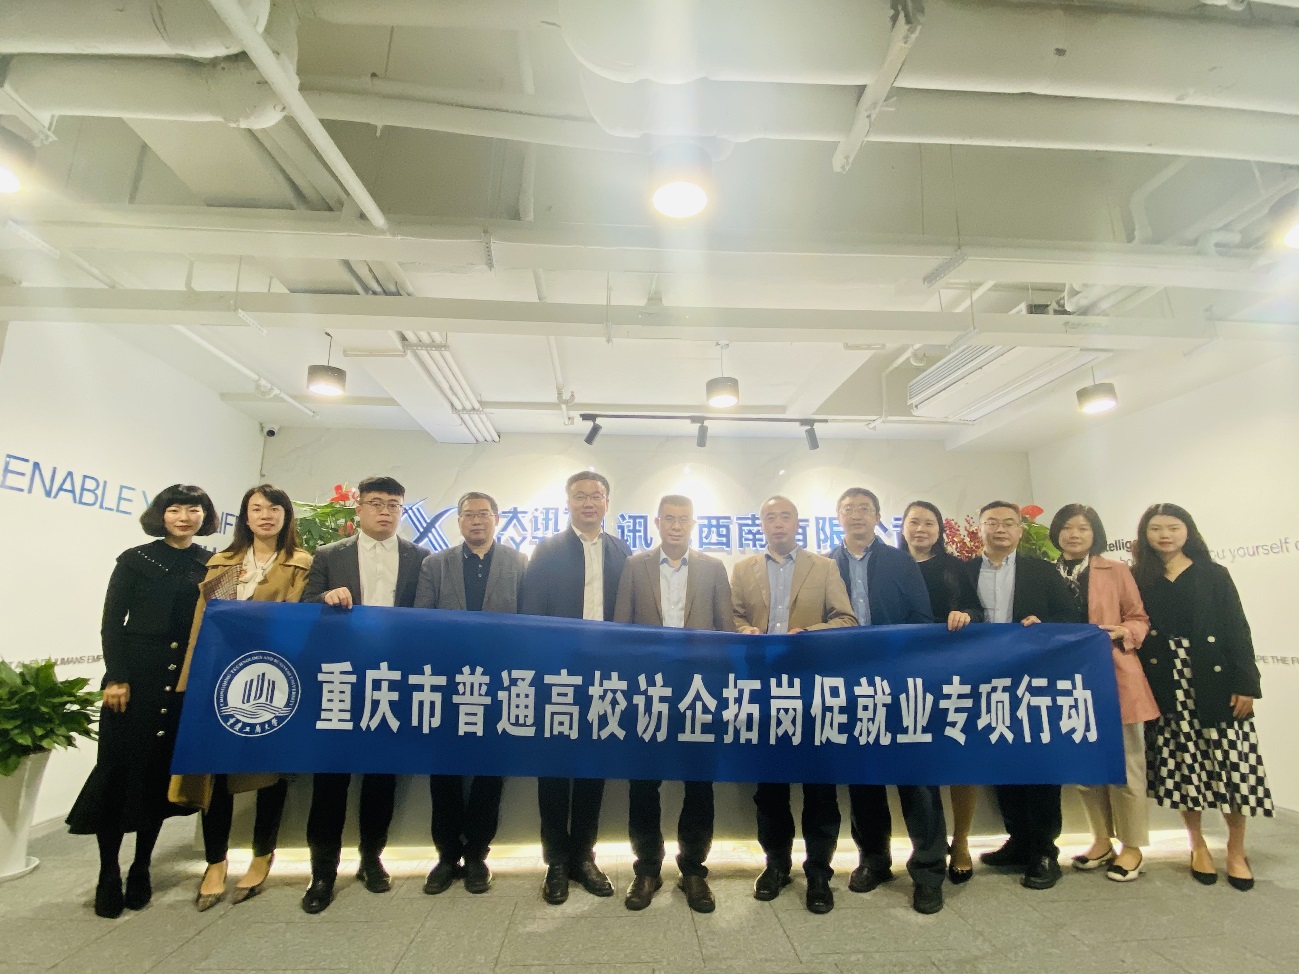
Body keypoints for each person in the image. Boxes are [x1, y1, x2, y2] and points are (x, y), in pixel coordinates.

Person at [67, 484, 218, 919]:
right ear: (161, 515)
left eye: (193, 510)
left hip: (183, 680)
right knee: (118, 772)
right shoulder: (135, 559)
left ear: (204, 516)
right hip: (136, 678)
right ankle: (108, 872)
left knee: (156, 776)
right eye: (175, 510)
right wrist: (116, 676)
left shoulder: (210, 563)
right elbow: (111, 623)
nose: (184, 518)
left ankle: (141, 867)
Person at [170, 484, 313, 910]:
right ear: (245, 517)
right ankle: (215, 862)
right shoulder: (222, 562)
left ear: (286, 516)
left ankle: (262, 855)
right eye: (256, 509)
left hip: (275, 677)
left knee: (269, 770)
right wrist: (190, 680)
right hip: (218, 677)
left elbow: (295, 620)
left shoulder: (300, 563)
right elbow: (202, 625)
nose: (265, 515)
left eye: (274, 508)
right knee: (214, 770)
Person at [299, 475, 426, 914]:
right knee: (330, 780)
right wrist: (325, 597)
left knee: (380, 778)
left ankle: (372, 858)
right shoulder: (329, 555)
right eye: (376, 503)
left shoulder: (420, 559)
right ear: (359, 508)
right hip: (340, 679)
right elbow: (303, 606)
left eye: (393, 504)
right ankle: (322, 872)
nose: (385, 511)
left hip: (392, 680)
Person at [1132, 503, 1272, 891]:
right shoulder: (1138, 577)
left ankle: (1236, 850)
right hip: (1164, 681)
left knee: (1233, 767)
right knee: (1185, 768)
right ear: (1145, 534)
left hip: (1215, 679)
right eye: (1156, 528)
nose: (1164, 535)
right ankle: (1197, 845)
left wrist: (1247, 684)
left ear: (1188, 531)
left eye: (1173, 527)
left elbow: (1237, 629)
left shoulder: (1213, 573)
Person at [731, 495, 856, 914]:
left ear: (797, 523)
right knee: (770, 787)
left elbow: (846, 620)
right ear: (761, 524)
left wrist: (810, 634)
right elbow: (730, 618)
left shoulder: (824, 566)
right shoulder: (743, 569)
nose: (778, 523)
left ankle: (819, 872)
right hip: (763, 688)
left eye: (785, 516)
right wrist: (744, 630)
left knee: (819, 787)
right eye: (770, 517)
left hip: (813, 688)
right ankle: (776, 865)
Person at [613, 494, 734, 914]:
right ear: (657, 523)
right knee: (644, 782)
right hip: (648, 689)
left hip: (699, 690)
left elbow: (726, 631)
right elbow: (622, 630)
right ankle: (647, 868)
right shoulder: (635, 566)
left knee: (698, 782)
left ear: (693, 524)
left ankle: (694, 870)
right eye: (669, 519)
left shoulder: (713, 568)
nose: (676, 526)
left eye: (683, 519)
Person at [829, 488, 946, 915]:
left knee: (916, 779)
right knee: (864, 777)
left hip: (900, 683)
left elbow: (921, 620)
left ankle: (929, 871)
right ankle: (874, 860)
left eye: (865, 509)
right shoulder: (825, 564)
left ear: (878, 516)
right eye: (849, 509)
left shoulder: (901, 561)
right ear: (837, 516)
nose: (856, 515)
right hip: (849, 686)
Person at [521, 471, 631, 905]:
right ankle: (555, 861)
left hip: (606, 676)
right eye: (580, 496)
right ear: (568, 502)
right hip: (557, 674)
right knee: (554, 769)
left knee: (591, 768)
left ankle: (584, 856)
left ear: (607, 502)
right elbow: (531, 615)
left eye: (596, 496)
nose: (588, 502)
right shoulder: (547, 551)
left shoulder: (623, 552)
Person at [962, 501, 1082, 890]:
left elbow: (1071, 618)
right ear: (980, 528)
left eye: (1008, 523)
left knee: (1040, 763)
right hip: (984, 680)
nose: (1000, 529)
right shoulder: (963, 571)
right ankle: (1018, 839)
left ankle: (1045, 850)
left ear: (1019, 530)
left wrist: (1044, 625)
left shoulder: (1042, 571)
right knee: (1001, 760)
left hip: (1034, 681)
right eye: (992, 522)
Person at [413, 491, 526, 896]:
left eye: (484, 514)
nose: (476, 521)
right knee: (444, 771)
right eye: (468, 515)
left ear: (497, 518)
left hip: (499, 683)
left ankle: (478, 854)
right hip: (446, 682)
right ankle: (446, 856)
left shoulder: (518, 563)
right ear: (458, 521)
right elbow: (421, 621)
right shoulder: (435, 564)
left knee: (489, 771)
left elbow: (529, 623)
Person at [1049, 504, 1158, 883]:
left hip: (1113, 675)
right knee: (1085, 766)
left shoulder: (1116, 570)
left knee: (1126, 764)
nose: (1074, 534)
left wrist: (1123, 632)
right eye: (1067, 527)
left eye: (1083, 528)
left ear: (1095, 534)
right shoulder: (1046, 572)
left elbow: (1139, 618)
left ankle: (1132, 846)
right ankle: (1100, 840)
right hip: (1067, 680)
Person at [899, 500, 984, 884]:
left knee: (960, 757)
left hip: (951, 671)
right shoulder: (890, 565)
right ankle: (926, 846)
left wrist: (965, 615)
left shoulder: (955, 567)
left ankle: (961, 841)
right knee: (919, 762)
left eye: (929, 523)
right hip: (902, 676)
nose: (921, 529)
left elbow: (976, 610)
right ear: (902, 526)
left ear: (940, 529)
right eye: (914, 522)